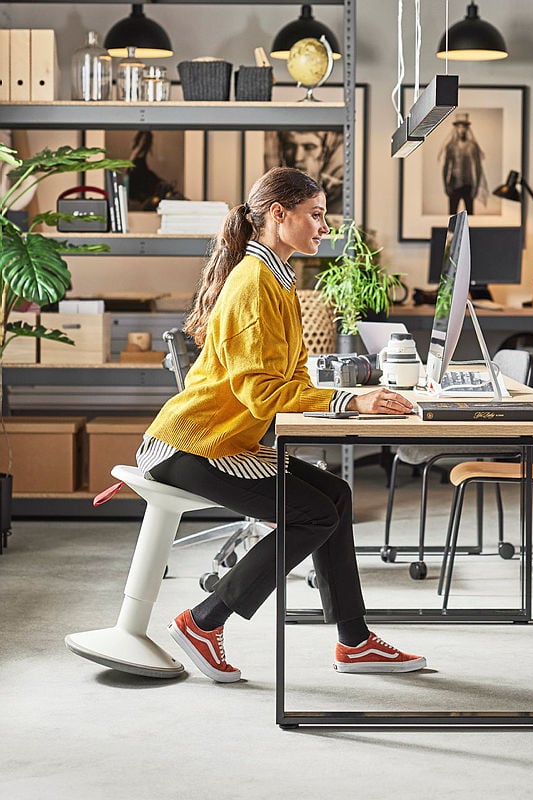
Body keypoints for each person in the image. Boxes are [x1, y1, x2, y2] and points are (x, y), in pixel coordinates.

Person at [135, 166, 426, 683]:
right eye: (315, 216)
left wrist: (343, 397)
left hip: (223, 442)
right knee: (312, 515)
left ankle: (354, 642)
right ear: (278, 214)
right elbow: (260, 392)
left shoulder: (279, 279)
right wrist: (351, 402)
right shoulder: (254, 284)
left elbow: (287, 375)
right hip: (190, 446)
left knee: (332, 496)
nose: (324, 228)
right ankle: (205, 622)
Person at [268, 130, 343, 216]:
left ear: (323, 153)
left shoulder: (339, 194)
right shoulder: (270, 194)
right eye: (290, 147)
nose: (298, 157)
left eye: (309, 147)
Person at [440, 112, 488, 215]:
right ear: (456, 128)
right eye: (459, 127)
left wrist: (476, 187)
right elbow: (446, 166)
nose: (461, 130)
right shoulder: (451, 146)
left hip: (468, 185)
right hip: (454, 184)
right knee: (452, 216)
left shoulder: (472, 146)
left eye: (464, 127)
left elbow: (478, 167)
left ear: (467, 129)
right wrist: (446, 185)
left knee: (470, 216)